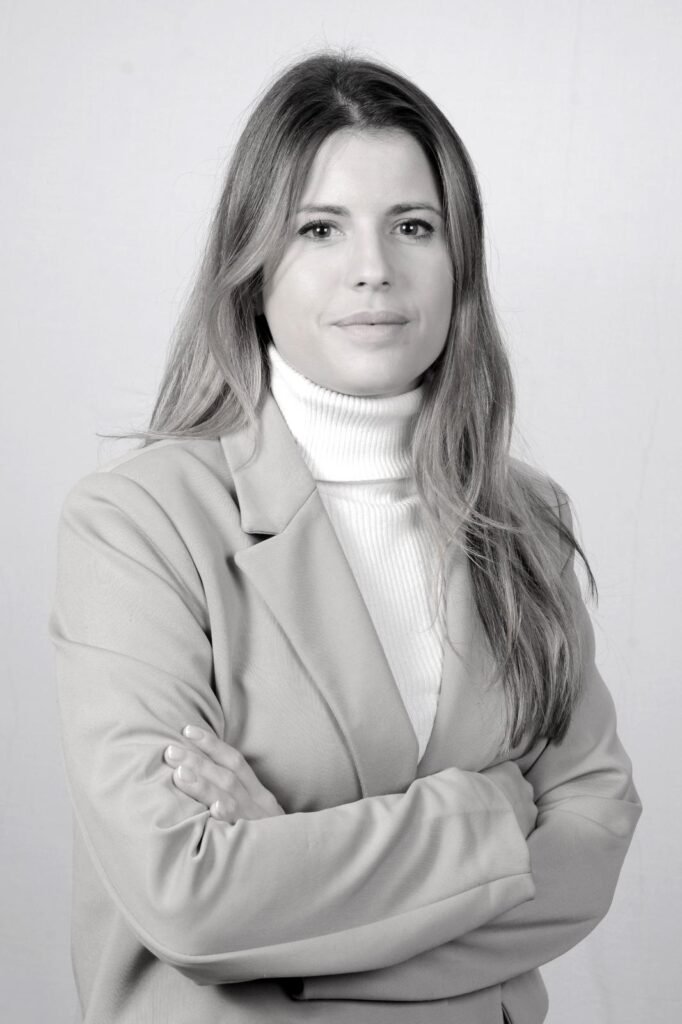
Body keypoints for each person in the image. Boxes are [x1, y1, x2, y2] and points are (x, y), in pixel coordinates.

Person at [49, 50, 642, 1024]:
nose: (374, 269)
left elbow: (594, 839)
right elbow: (192, 898)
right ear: (252, 264)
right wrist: (492, 811)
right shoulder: (139, 525)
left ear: (460, 262)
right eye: (319, 228)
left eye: (413, 226)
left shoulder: (525, 521)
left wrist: (295, 908)